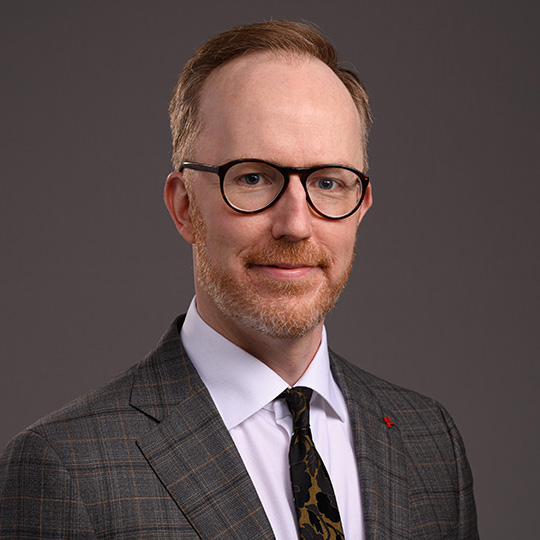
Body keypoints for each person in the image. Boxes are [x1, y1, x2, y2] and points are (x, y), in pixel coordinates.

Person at [0, 20, 478, 539]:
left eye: (328, 182)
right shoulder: (64, 469)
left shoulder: (430, 442)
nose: (296, 224)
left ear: (361, 205)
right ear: (185, 207)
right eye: (253, 177)